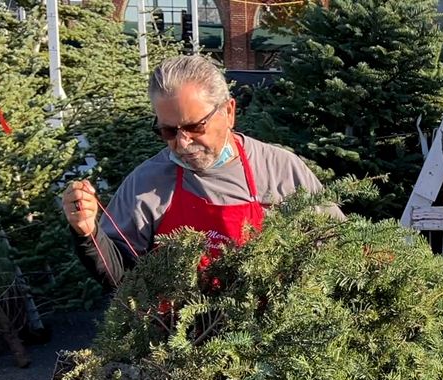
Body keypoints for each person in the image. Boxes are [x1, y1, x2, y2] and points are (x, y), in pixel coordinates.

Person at [62, 55, 340, 287]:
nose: (182, 143)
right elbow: (120, 275)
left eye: (195, 127)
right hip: (180, 342)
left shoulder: (279, 169)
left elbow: (339, 248)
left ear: (229, 112)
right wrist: (87, 233)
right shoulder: (146, 184)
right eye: (168, 131)